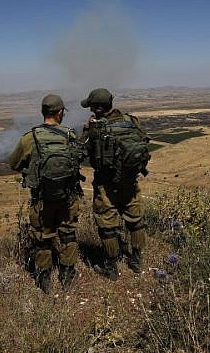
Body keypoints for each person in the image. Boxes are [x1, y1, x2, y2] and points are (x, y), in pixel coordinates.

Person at [9, 94, 85, 293]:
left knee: (42, 237)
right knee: (68, 234)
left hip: (42, 199)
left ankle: (44, 280)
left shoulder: (30, 138)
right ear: (60, 112)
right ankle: (67, 275)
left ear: (43, 112)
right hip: (68, 197)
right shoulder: (70, 135)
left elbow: (14, 163)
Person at [81, 88, 150, 280]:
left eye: (92, 107)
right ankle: (136, 261)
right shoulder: (131, 121)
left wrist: (88, 130)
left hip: (105, 184)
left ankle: (111, 268)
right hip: (129, 180)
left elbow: (82, 151)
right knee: (135, 220)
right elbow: (144, 142)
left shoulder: (95, 127)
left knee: (107, 224)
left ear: (98, 108)